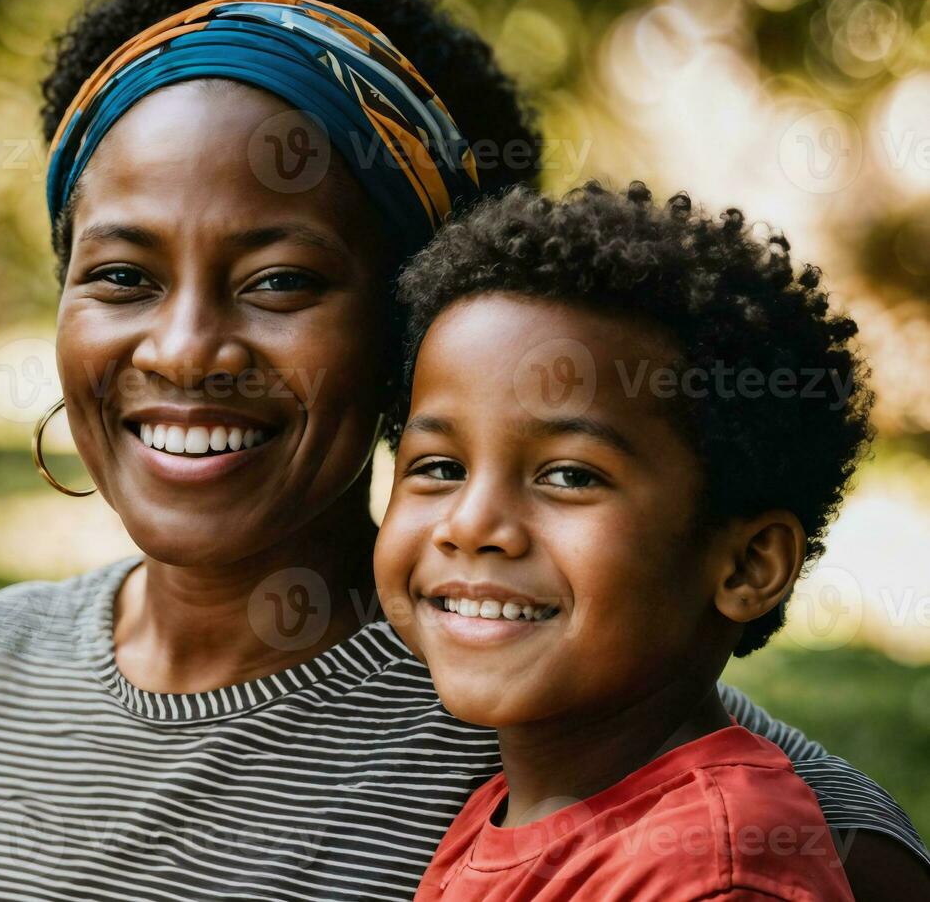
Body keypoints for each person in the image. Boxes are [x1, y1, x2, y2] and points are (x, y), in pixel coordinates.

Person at [0, 0, 928, 902]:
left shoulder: (531, 688)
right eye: (120, 275)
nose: (185, 347)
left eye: (281, 280)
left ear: (412, 336)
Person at [375, 180, 880, 899]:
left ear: (747, 564)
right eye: (440, 468)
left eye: (570, 477)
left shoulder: (713, 873)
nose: (470, 524)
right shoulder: (499, 815)